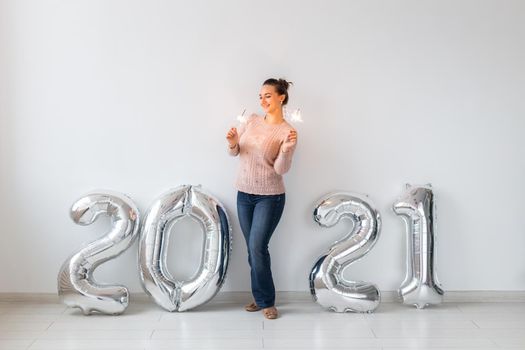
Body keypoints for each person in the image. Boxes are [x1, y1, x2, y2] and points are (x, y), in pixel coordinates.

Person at [226, 78, 298, 319]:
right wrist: (233, 143)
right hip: (244, 193)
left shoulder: (287, 132)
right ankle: (260, 297)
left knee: (257, 247)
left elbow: (280, 170)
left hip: (270, 197)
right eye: (260, 96)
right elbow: (236, 152)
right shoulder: (253, 121)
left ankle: (267, 301)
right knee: (252, 249)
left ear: (281, 97)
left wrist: (286, 150)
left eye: (268, 95)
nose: (263, 100)